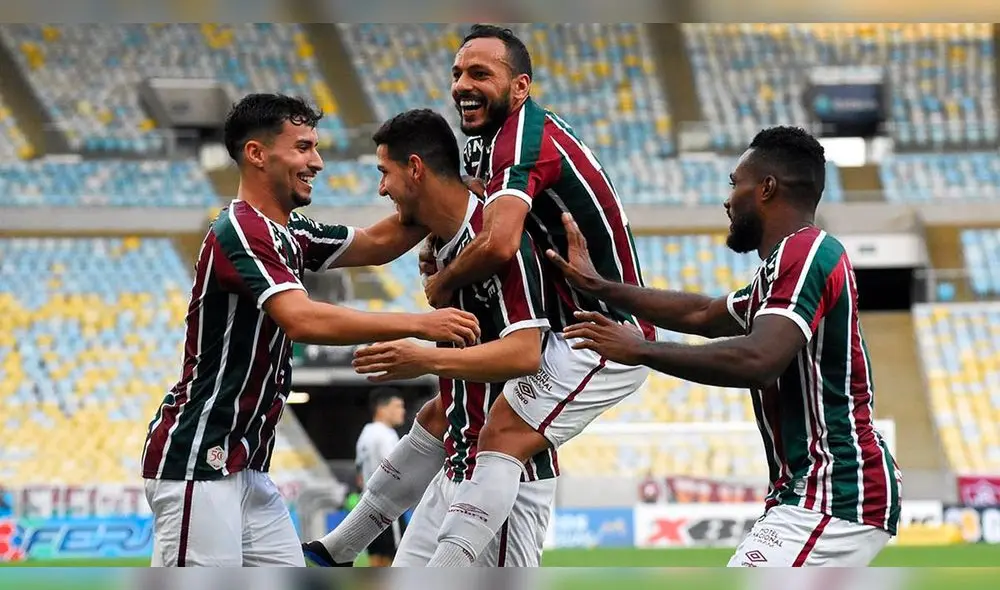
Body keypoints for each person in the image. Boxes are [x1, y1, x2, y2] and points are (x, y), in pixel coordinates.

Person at [139, 94, 481, 568]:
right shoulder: (240, 229)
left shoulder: (289, 231)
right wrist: (419, 323)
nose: (316, 162)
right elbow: (302, 318)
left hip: (247, 466)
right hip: (200, 460)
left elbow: (379, 242)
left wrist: (454, 195)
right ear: (257, 154)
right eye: (302, 147)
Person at [548, 126, 902, 567]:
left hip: (836, 490)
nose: (728, 199)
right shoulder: (781, 268)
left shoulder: (807, 252)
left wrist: (640, 349)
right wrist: (600, 286)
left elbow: (758, 360)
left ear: (767, 188)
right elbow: (702, 314)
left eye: (736, 184)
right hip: (810, 490)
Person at [408, 23, 652, 568]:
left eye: (480, 74)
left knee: (500, 434)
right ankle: (347, 545)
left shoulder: (523, 138)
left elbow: (498, 242)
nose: (462, 85)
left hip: (605, 336)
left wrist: (442, 282)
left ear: (520, 87)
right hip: (572, 330)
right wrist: (437, 241)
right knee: (451, 416)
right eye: (456, 74)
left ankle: (432, 567)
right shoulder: (491, 144)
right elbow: (468, 211)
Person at [302, 108, 558, 568]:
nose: (382, 188)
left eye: (385, 173)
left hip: (504, 484)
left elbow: (525, 354)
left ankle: (336, 549)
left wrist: (423, 358)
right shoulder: (446, 245)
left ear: (415, 168)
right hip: (455, 468)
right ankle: (337, 549)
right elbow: (450, 400)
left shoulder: (498, 241)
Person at [354, 388, 407, 567]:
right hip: (387, 508)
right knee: (396, 559)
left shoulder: (365, 433)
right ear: (382, 409)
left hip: (367, 506)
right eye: (398, 406)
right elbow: (395, 470)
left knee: (377, 558)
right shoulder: (385, 435)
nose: (403, 411)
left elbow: (359, 476)